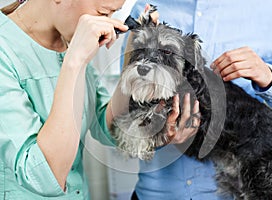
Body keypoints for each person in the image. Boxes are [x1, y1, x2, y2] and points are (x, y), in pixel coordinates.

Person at [0, 0, 199, 199]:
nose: (108, 24)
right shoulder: (7, 51)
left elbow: (107, 128)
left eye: (114, 13)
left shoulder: (66, 39)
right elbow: (42, 177)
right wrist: (75, 61)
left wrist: (135, 53)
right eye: (104, 12)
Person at [125, 0, 272, 199]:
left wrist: (269, 76)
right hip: (157, 193)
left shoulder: (267, 7)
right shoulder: (148, 6)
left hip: (242, 184)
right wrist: (152, 131)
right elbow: (123, 102)